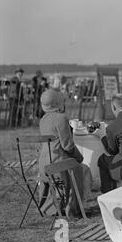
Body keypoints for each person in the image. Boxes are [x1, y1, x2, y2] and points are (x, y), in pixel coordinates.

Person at [38, 89, 92, 217]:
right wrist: (80, 157)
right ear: (58, 102)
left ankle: (51, 208)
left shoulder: (43, 120)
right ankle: (73, 209)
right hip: (57, 165)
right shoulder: (61, 118)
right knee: (82, 169)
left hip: (43, 166)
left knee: (74, 167)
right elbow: (68, 146)